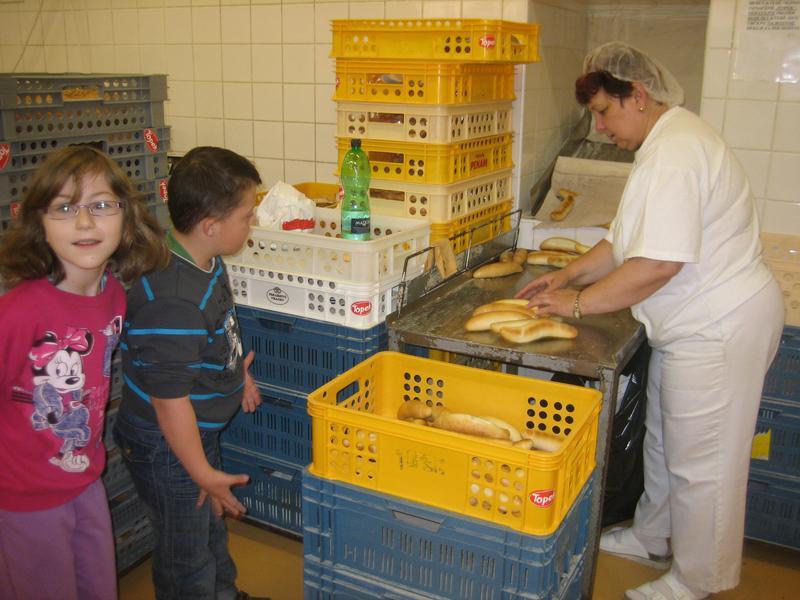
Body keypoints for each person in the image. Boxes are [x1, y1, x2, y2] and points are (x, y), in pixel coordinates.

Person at [517, 42, 785, 600]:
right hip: (690, 325)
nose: (599, 127)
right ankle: (652, 535)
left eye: (603, 111)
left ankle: (697, 579)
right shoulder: (661, 144)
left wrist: (576, 306)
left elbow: (659, 264)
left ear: (637, 95)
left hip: (717, 326)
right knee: (664, 442)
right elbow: (622, 243)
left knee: (703, 462)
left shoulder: (676, 154)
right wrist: (565, 277)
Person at [0, 145, 169, 599]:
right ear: (38, 223)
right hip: (23, 500)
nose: (84, 223)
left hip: (84, 479)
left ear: (127, 217)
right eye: (64, 208)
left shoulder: (113, 295)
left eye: (101, 205)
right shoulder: (18, 313)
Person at [113, 146, 268, 600]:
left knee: (209, 529)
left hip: (195, 432)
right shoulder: (174, 299)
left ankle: (224, 593)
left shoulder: (203, 259)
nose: (253, 221)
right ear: (211, 226)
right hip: (167, 443)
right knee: (186, 552)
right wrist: (201, 471)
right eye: (247, 215)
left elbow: (217, 331)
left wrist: (239, 376)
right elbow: (169, 403)